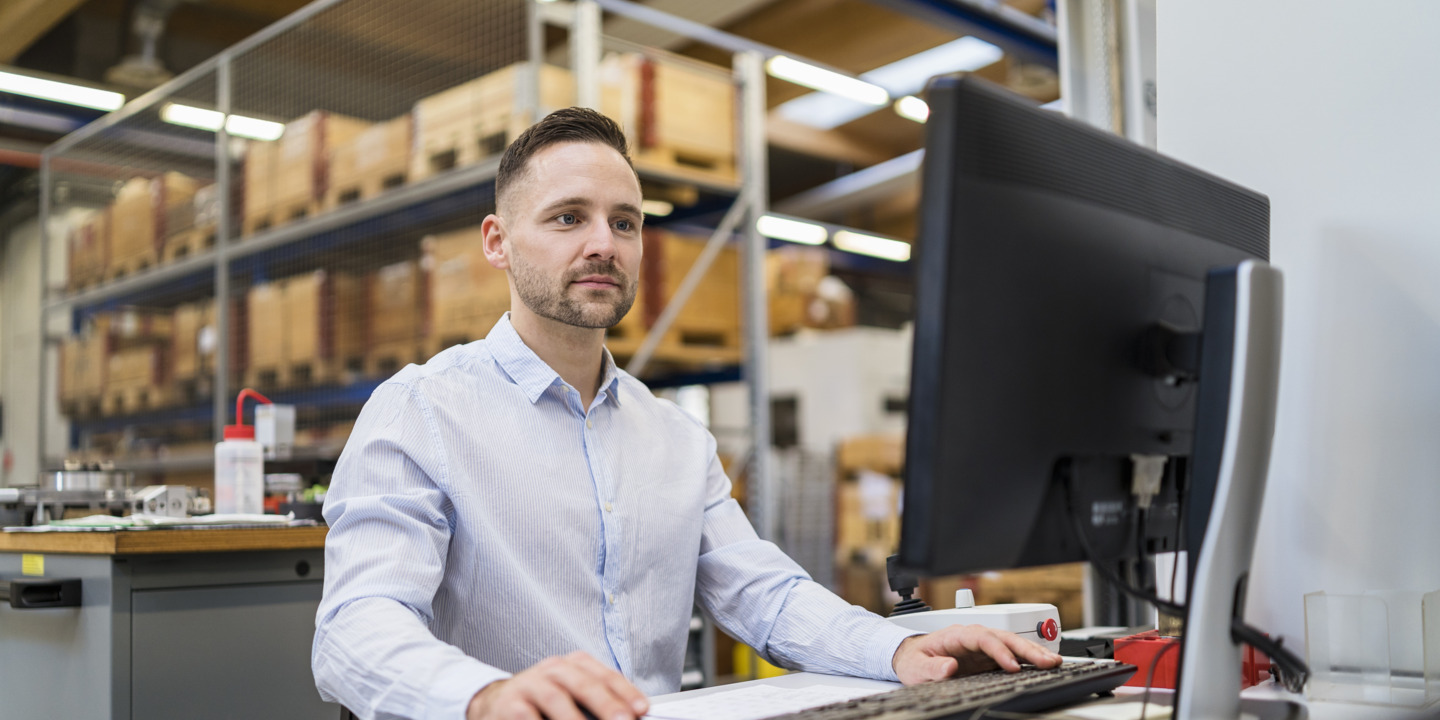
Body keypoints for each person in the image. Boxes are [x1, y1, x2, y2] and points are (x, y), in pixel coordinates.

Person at [312, 107, 1062, 720]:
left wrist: (896, 650)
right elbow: (354, 630)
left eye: (626, 222)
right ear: (498, 243)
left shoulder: (672, 435)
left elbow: (762, 594)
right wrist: (485, 697)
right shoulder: (421, 412)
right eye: (568, 218)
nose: (604, 244)